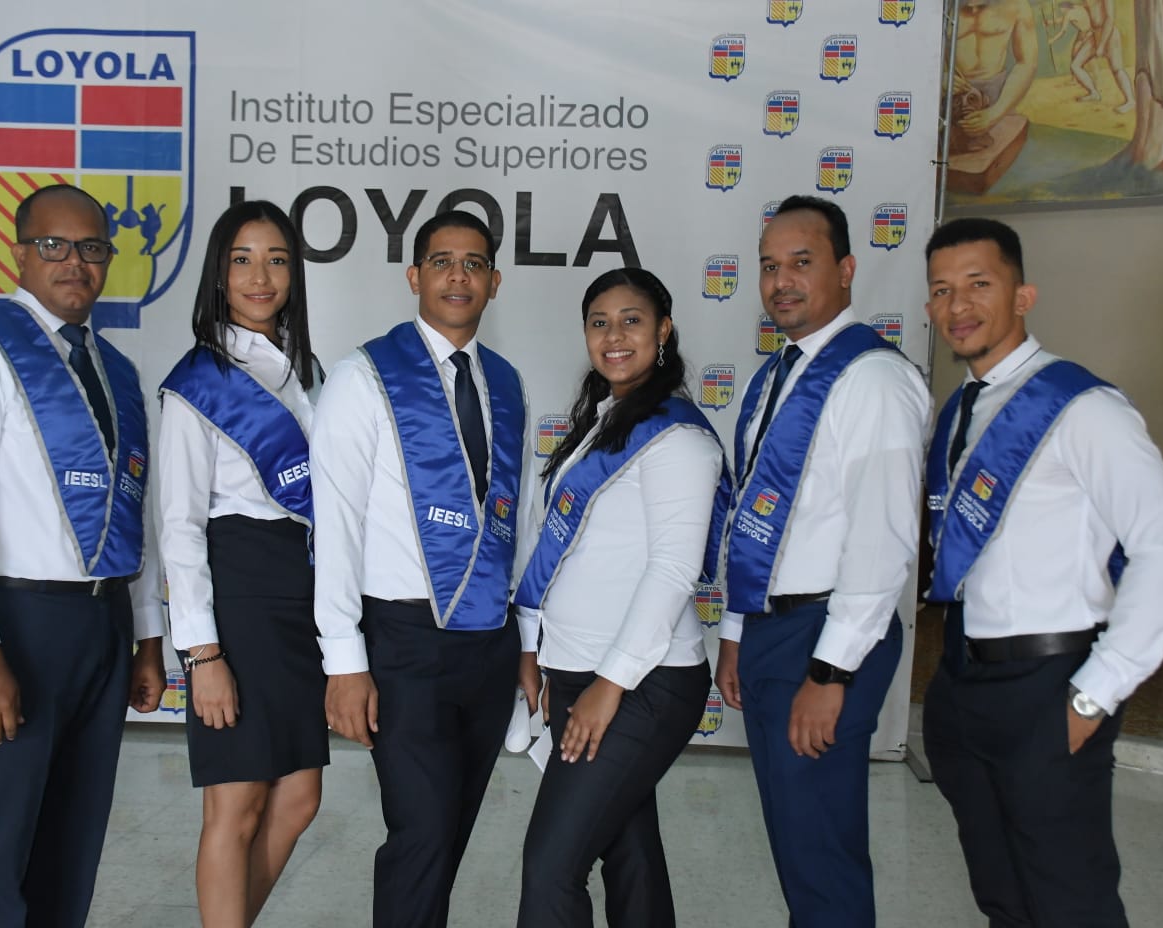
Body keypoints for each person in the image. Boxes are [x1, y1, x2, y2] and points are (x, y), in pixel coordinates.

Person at [921, 218, 1163, 927]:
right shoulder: (960, 411)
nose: (958, 305)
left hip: (1050, 685)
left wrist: (1092, 697)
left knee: (1071, 901)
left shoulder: (1083, 409)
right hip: (965, 681)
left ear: (1023, 296)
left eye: (978, 284)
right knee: (1002, 896)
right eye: (942, 290)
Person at [0, 183, 167, 928]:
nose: (74, 263)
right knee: (1, 830)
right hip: (17, 623)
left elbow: (135, 512)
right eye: (54, 245)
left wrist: (147, 636)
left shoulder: (116, 371)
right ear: (19, 253)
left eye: (91, 248)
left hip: (101, 621)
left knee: (73, 830)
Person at [712, 195, 929, 927]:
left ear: (846, 269)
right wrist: (737, 633)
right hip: (773, 632)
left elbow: (882, 539)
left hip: (827, 635)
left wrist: (830, 674)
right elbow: (753, 517)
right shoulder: (776, 376)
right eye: (769, 266)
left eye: (801, 263)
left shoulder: (873, 378)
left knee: (821, 851)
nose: (782, 282)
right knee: (797, 841)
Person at [311, 210, 530, 928]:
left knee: (449, 833)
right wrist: (345, 661)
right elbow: (335, 527)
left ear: (494, 281)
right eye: (441, 262)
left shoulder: (507, 383)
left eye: (474, 264)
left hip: (489, 644)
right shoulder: (363, 377)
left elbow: (518, 523)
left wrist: (526, 643)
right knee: (422, 833)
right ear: (414, 276)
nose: (458, 276)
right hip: (403, 643)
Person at [514, 268, 729, 927]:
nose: (614, 335)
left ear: (663, 330)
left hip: (642, 682)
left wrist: (609, 685)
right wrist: (534, 651)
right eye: (599, 322)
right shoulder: (602, 421)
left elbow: (672, 571)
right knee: (629, 851)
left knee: (552, 866)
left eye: (631, 320)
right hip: (576, 669)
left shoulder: (679, 438)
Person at [158, 200, 328, 926]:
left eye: (277, 259)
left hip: (299, 595)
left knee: (298, 797)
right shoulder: (199, 381)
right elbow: (178, 526)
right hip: (239, 595)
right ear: (219, 275)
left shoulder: (303, 371)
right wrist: (203, 654)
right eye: (243, 259)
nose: (261, 276)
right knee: (236, 804)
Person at [952, 0, 1039, 151]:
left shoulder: (1017, 5)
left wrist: (996, 112)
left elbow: (1027, 62)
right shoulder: (939, 6)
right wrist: (940, 79)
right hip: (951, 98)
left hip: (998, 96)